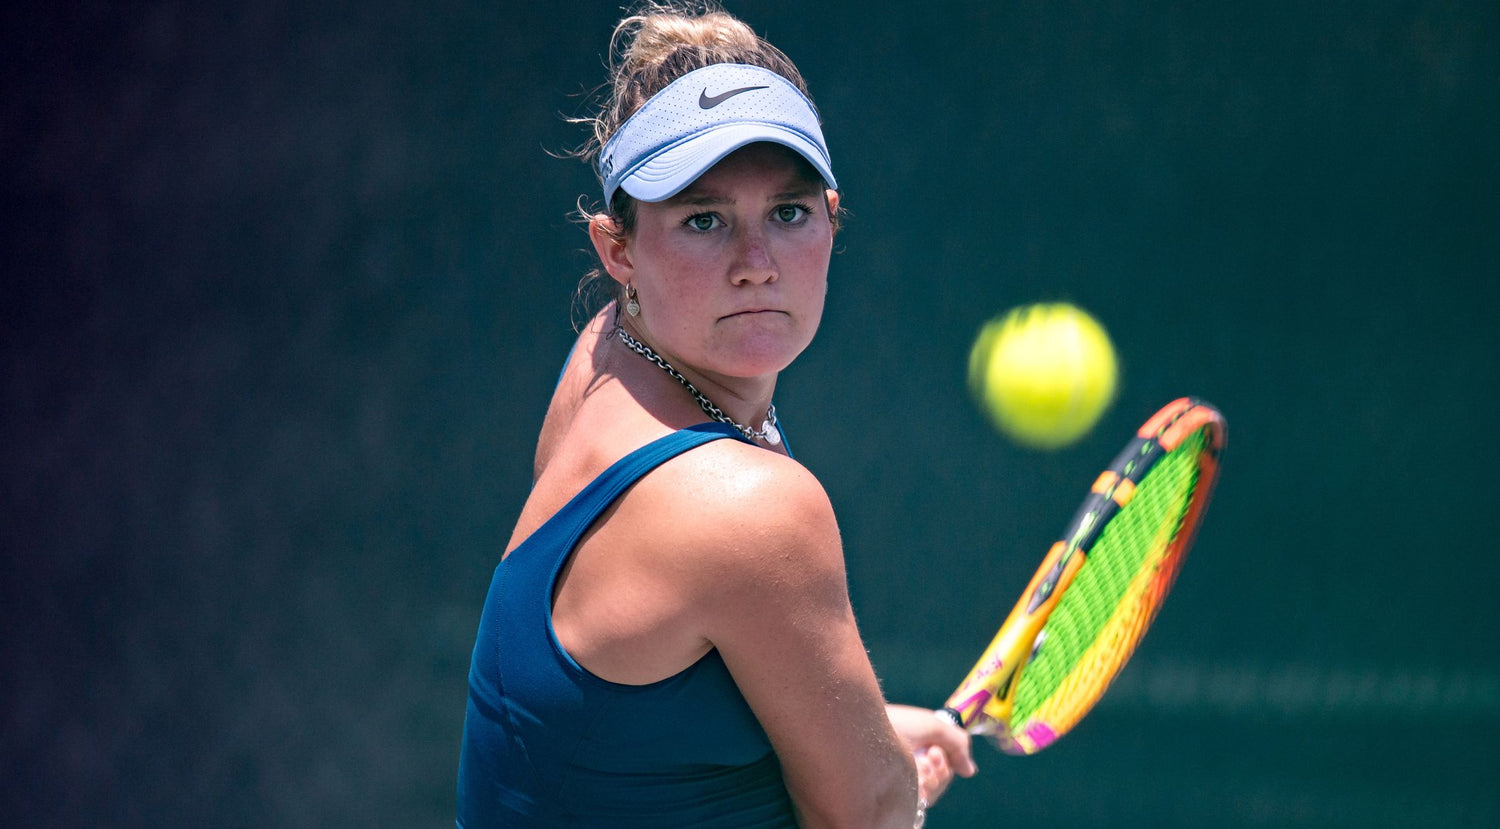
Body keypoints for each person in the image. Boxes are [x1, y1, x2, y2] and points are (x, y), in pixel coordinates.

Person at [456, 2, 976, 826]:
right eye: (704, 220)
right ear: (616, 248)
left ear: (834, 219)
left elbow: (638, 725)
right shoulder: (751, 508)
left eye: (790, 212)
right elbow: (865, 815)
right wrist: (891, 784)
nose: (757, 265)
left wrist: (864, 734)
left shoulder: (603, 360)